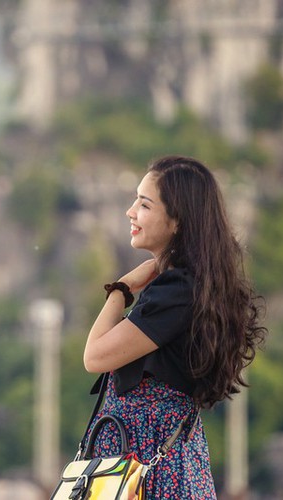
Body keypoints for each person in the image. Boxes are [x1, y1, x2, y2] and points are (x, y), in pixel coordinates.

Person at [82, 155, 267, 498]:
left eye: (145, 204)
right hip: (162, 466)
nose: (131, 211)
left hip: (147, 471)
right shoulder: (190, 287)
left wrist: (121, 291)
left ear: (177, 221)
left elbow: (94, 356)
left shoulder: (177, 293)